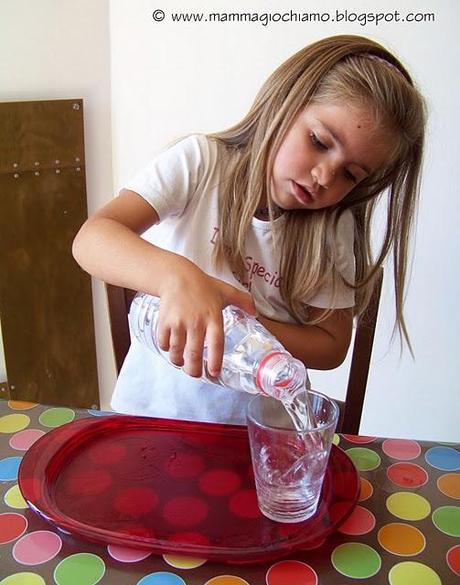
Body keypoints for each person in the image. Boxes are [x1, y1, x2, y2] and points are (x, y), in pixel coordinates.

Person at [72, 34, 426, 424]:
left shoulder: (332, 226)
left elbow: (331, 346)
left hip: (257, 436)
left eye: (350, 174)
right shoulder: (200, 164)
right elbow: (92, 239)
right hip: (152, 418)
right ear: (284, 102)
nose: (325, 176)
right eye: (318, 141)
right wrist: (179, 279)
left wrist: (237, 323)